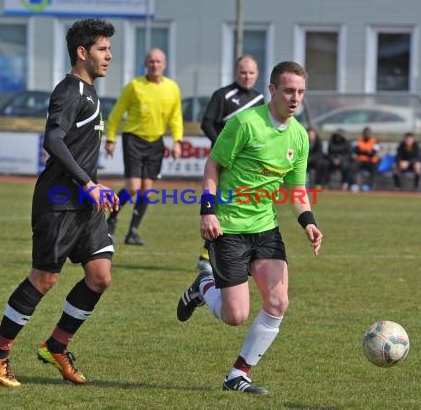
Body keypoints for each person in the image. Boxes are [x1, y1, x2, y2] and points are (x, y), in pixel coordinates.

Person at [0, 18, 118, 388]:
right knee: (45, 278)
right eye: (103, 49)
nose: (110, 55)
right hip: (58, 202)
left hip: (84, 204)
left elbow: (75, 148)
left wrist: (94, 185)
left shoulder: (90, 92)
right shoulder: (69, 90)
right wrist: (88, 183)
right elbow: (53, 141)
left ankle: (56, 345)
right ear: (82, 52)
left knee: (100, 276)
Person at [176, 61, 323, 394]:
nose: (295, 98)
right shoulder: (244, 123)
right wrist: (207, 212)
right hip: (228, 227)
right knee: (235, 315)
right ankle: (203, 286)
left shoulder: (299, 136)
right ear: (271, 90)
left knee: (278, 302)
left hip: (265, 227)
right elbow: (213, 164)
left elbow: (296, 189)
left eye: (300, 92)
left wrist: (309, 223)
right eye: (288, 90)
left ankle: (237, 375)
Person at [105, 48, 183, 246]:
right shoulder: (134, 86)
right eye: (151, 61)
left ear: (164, 65)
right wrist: (111, 138)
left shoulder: (172, 88)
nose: (154, 64)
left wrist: (177, 141)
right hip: (133, 139)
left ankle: (132, 232)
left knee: (146, 190)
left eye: (158, 61)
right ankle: (111, 219)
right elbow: (116, 114)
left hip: (156, 142)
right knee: (133, 187)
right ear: (145, 64)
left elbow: (176, 117)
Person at [196, 54, 265, 271]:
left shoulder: (259, 99)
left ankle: (233, 253)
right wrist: (224, 148)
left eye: (251, 72)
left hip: (248, 165)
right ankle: (206, 254)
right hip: (224, 162)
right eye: (243, 72)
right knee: (222, 206)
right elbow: (207, 123)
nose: (247, 76)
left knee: (244, 207)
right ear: (236, 73)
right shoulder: (223, 95)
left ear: (257, 74)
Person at [353, 126, 380, 191]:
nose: (367, 135)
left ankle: (370, 186)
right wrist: (367, 152)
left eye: (368, 133)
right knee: (353, 167)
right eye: (365, 133)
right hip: (360, 160)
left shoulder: (375, 141)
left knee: (374, 169)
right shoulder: (358, 140)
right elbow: (356, 151)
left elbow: (373, 153)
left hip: (371, 161)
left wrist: (362, 152)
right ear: (363, 134)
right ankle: (355, 185)